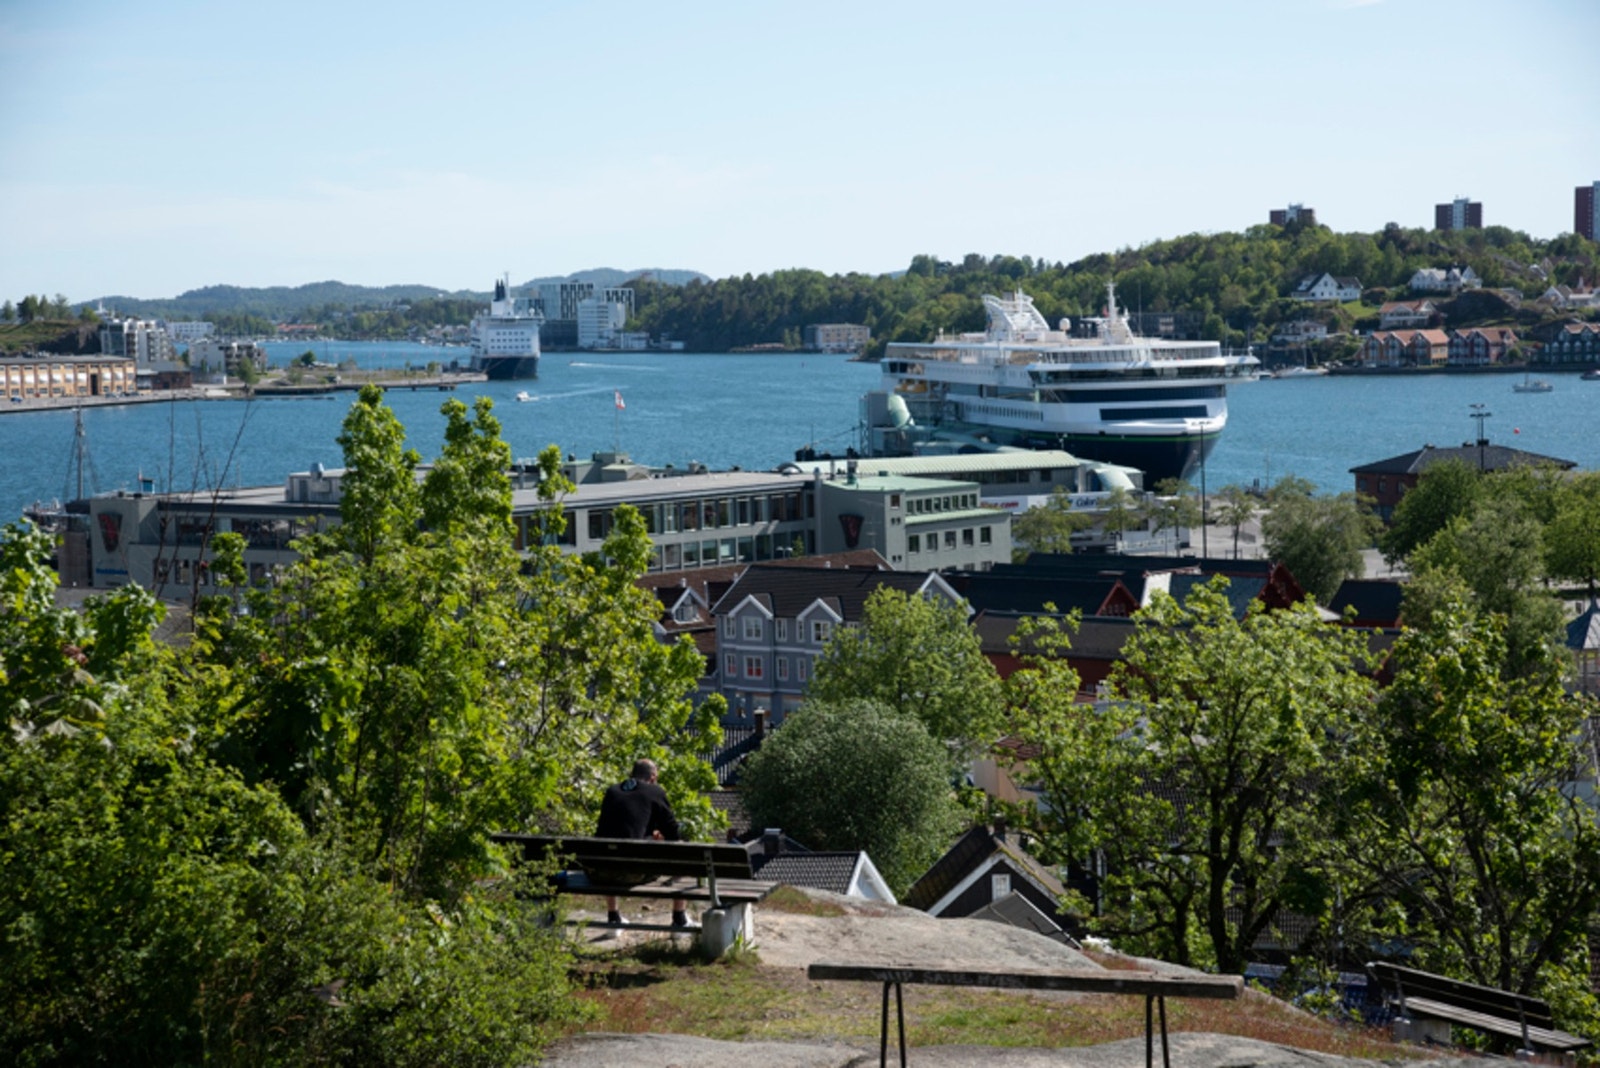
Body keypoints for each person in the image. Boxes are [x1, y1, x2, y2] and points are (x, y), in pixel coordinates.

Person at [595, 758, 690, 929]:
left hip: (601, 871)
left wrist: (648, 836)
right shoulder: (655, 791)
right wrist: (660, 838)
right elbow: (673, 834)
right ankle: (679, 919)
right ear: (653, 777)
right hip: (633, 872)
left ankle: (613, 916)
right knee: (684, 850)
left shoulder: (612, 791)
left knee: (612, 850)